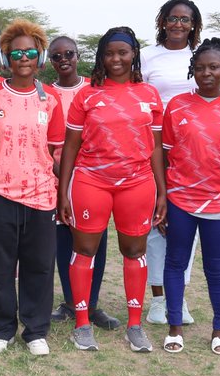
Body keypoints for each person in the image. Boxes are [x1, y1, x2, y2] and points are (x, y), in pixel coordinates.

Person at [58, 27, 166, 354]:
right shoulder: (87, 95)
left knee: (134, 251)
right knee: (85, 250)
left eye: (123, 52)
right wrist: (63, 192)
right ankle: (82, 324)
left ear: (134, 55)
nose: (116, 59)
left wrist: (162, 192)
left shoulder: (149, 94)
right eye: (109, 53)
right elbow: (70, 146)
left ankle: (135, 325)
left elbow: (156, 148)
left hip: (137, 183)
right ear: (101, 58)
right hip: (91, 181)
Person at [159, 38, 220, 354]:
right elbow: (165, 154)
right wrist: (162, 198)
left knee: (217, 268)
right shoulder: (177, 106)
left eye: (213, 67)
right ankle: (174, 328)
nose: (207, 73)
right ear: (193, 71)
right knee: (175, 262)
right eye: (200, 68)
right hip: (180, 200)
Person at [0, 21, 64, 356]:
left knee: (38, 265)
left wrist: (61, 192)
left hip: (41, 196)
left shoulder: (51, 99)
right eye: (16, 53)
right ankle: (1, 327)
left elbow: (55, 150)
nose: (23, 58)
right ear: (6, 58)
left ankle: (36, 329)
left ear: (40, 57)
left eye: (30, 52)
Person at [45, 35, 118, 331]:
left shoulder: (95, 89)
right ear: (50, 61)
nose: (63, 60)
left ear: (78, 56)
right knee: (64, 240)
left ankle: (93, 304)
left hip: (93, 177)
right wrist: (59, 171)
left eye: (69, 54)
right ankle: (70, 302)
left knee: (95, 241)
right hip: (55, 176)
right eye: (56, 56)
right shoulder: (44, 93)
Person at [142, 0, 203, 326]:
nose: (178, 24)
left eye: (185, 19)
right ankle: (157, 299)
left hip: (191, 149)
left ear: (194, 24)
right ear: (162, 21)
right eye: (173, 18)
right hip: (153, 147)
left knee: (186, 225)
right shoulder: (147, 56)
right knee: (157, 222)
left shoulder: (201, 56)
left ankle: (179, 296)